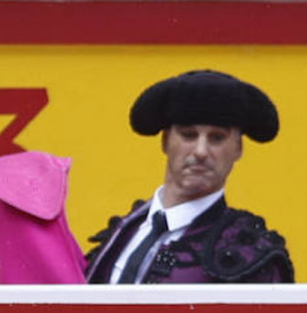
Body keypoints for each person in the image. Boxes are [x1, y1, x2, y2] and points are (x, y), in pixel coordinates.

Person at [84, 69, 294, 285]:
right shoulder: (124, 231)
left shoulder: (249, 255)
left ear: (238, 148)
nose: (201, 151)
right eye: (188, 135)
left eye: (217, 138)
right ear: (165, 141)